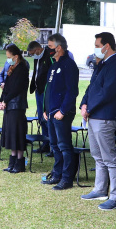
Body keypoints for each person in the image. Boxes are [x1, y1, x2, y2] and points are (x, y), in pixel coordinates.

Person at [80, 32, 116, 210]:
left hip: (106, 116)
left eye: (97, 45)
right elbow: (92, 87)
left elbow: (107, 92)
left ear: (106, 46)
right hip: (94, 115)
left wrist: (90, 108)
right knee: (97, 155)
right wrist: (84, 104)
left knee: (109, 157)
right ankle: (100, 189)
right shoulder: (102, 63)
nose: (95, 48)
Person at [42, 33, 80, 190]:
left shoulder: (69, 65)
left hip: (61, 113)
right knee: (55, 145)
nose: (48, 49)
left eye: (50, 46)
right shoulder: (53, 65)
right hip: (51, 113)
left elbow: (72, 91)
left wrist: (63, 111)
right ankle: (57, 174)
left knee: (64, 146)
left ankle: (67, 178)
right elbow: (48, 90)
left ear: (59, 48)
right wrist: (45, 109)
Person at [0, 44, 29, 173]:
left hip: (17, 105)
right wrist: (2, 100)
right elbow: (7, 87)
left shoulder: (22, 68)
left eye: (9, 57)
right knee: (10, 133)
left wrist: (5, 100)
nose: (8, 59)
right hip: (10, 105)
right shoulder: (12, 67)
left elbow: (16, 88)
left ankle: (19, 162)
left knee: (17, 133)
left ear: (16, 56)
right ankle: (12, 161)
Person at [28, 40, 53, 154]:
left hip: (46, 92)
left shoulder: (49, 56)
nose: (32, 55)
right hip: (38, 91)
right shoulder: (37, 58)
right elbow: (36, 73)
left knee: (47, 118)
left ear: (38, 49)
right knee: (41, 119)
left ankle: (52, 145)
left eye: (32, 53)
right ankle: (45, 143)